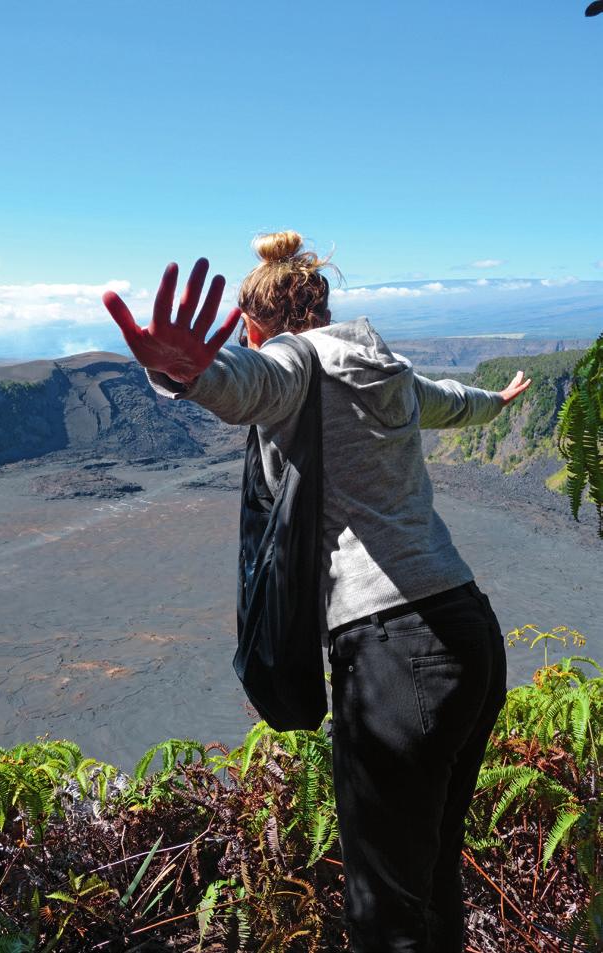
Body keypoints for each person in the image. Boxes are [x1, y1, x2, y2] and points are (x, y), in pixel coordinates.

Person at [103, 231, 532, 953]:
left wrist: (188, 374)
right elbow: (453, 401)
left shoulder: (291, 364)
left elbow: (245, 382)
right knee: (428, 880)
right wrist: (501, 398)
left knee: (382, 913)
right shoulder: (386, 366)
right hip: (471, 634)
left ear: (255, 326)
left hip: (399, 661)